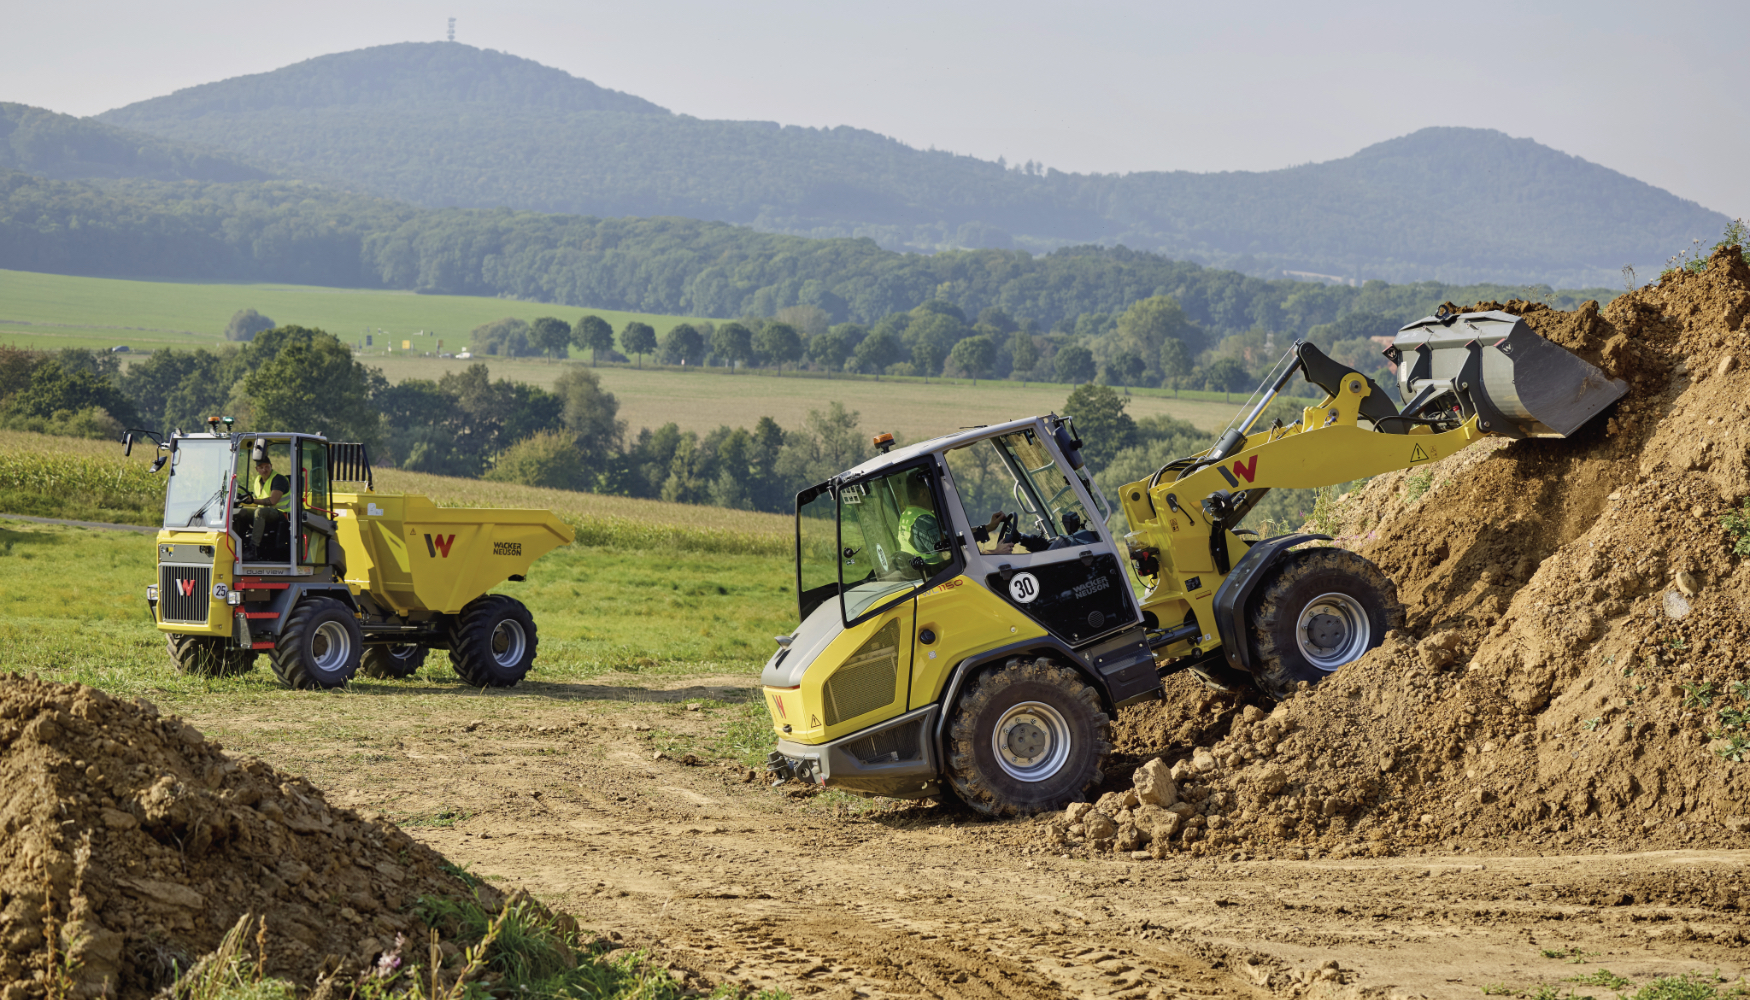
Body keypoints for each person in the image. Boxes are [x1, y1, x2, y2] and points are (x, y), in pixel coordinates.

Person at [895, 470, 951, 573]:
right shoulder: (925, 520)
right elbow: (947, 554)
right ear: (923, 492)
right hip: (936, 572)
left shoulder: (907, 514)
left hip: (917, 571)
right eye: (933, 490)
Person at [239, 449, 290, 556]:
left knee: (259, 512)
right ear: (256, 469)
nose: (265, 470)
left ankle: (253, 548)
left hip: (281, 513)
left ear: (271, 466)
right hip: (265, 511)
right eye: (261, 467)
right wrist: (242, 501)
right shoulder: (258, 480)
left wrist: (252, 500)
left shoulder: (279, 479)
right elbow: (257, 499)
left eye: (267, 467)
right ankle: (238, 544)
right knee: (240, 512)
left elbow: (273, 500)